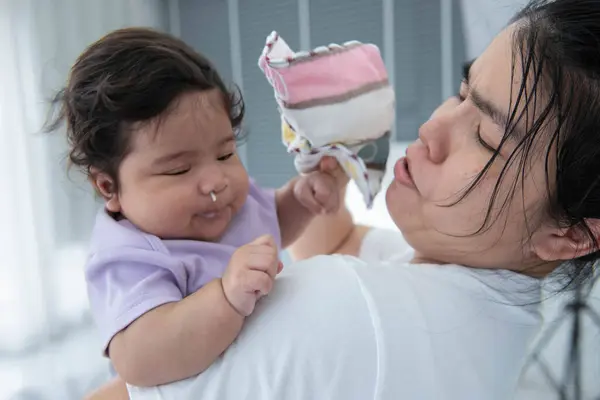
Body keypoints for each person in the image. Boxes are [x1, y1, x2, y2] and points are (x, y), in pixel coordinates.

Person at [93, 0, 600, 398]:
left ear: (572, 233)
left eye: (487, 135)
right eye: (462, 93)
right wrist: (323, 172)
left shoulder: (355, 310)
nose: (431, 127)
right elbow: (338, 242)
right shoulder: (488, 301)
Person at [47, 28, 346, 397]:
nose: (215, 181)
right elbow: (139, 359)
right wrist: (225, 298)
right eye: (178, 170)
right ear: (109, 187)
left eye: (224, 154)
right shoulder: (127, 257)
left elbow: (273, 223)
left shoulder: (227, 205)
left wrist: (301, 199)